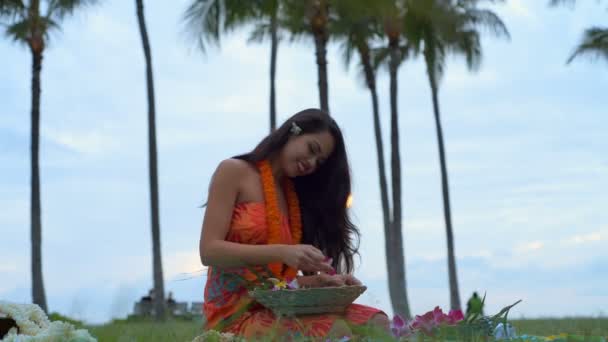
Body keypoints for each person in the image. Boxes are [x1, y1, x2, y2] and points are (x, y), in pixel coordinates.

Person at [199, 109, 387, 339]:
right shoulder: (234, 171)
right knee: (334, 330)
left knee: (377, 322)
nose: (311, 163)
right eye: (312, 149)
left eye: (319, 162)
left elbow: (277, 282)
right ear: (293, 131)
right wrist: (283, 252)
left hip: (279, 306)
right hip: (235, 313)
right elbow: (209, 251)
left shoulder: (293, 197)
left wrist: (319, 282)